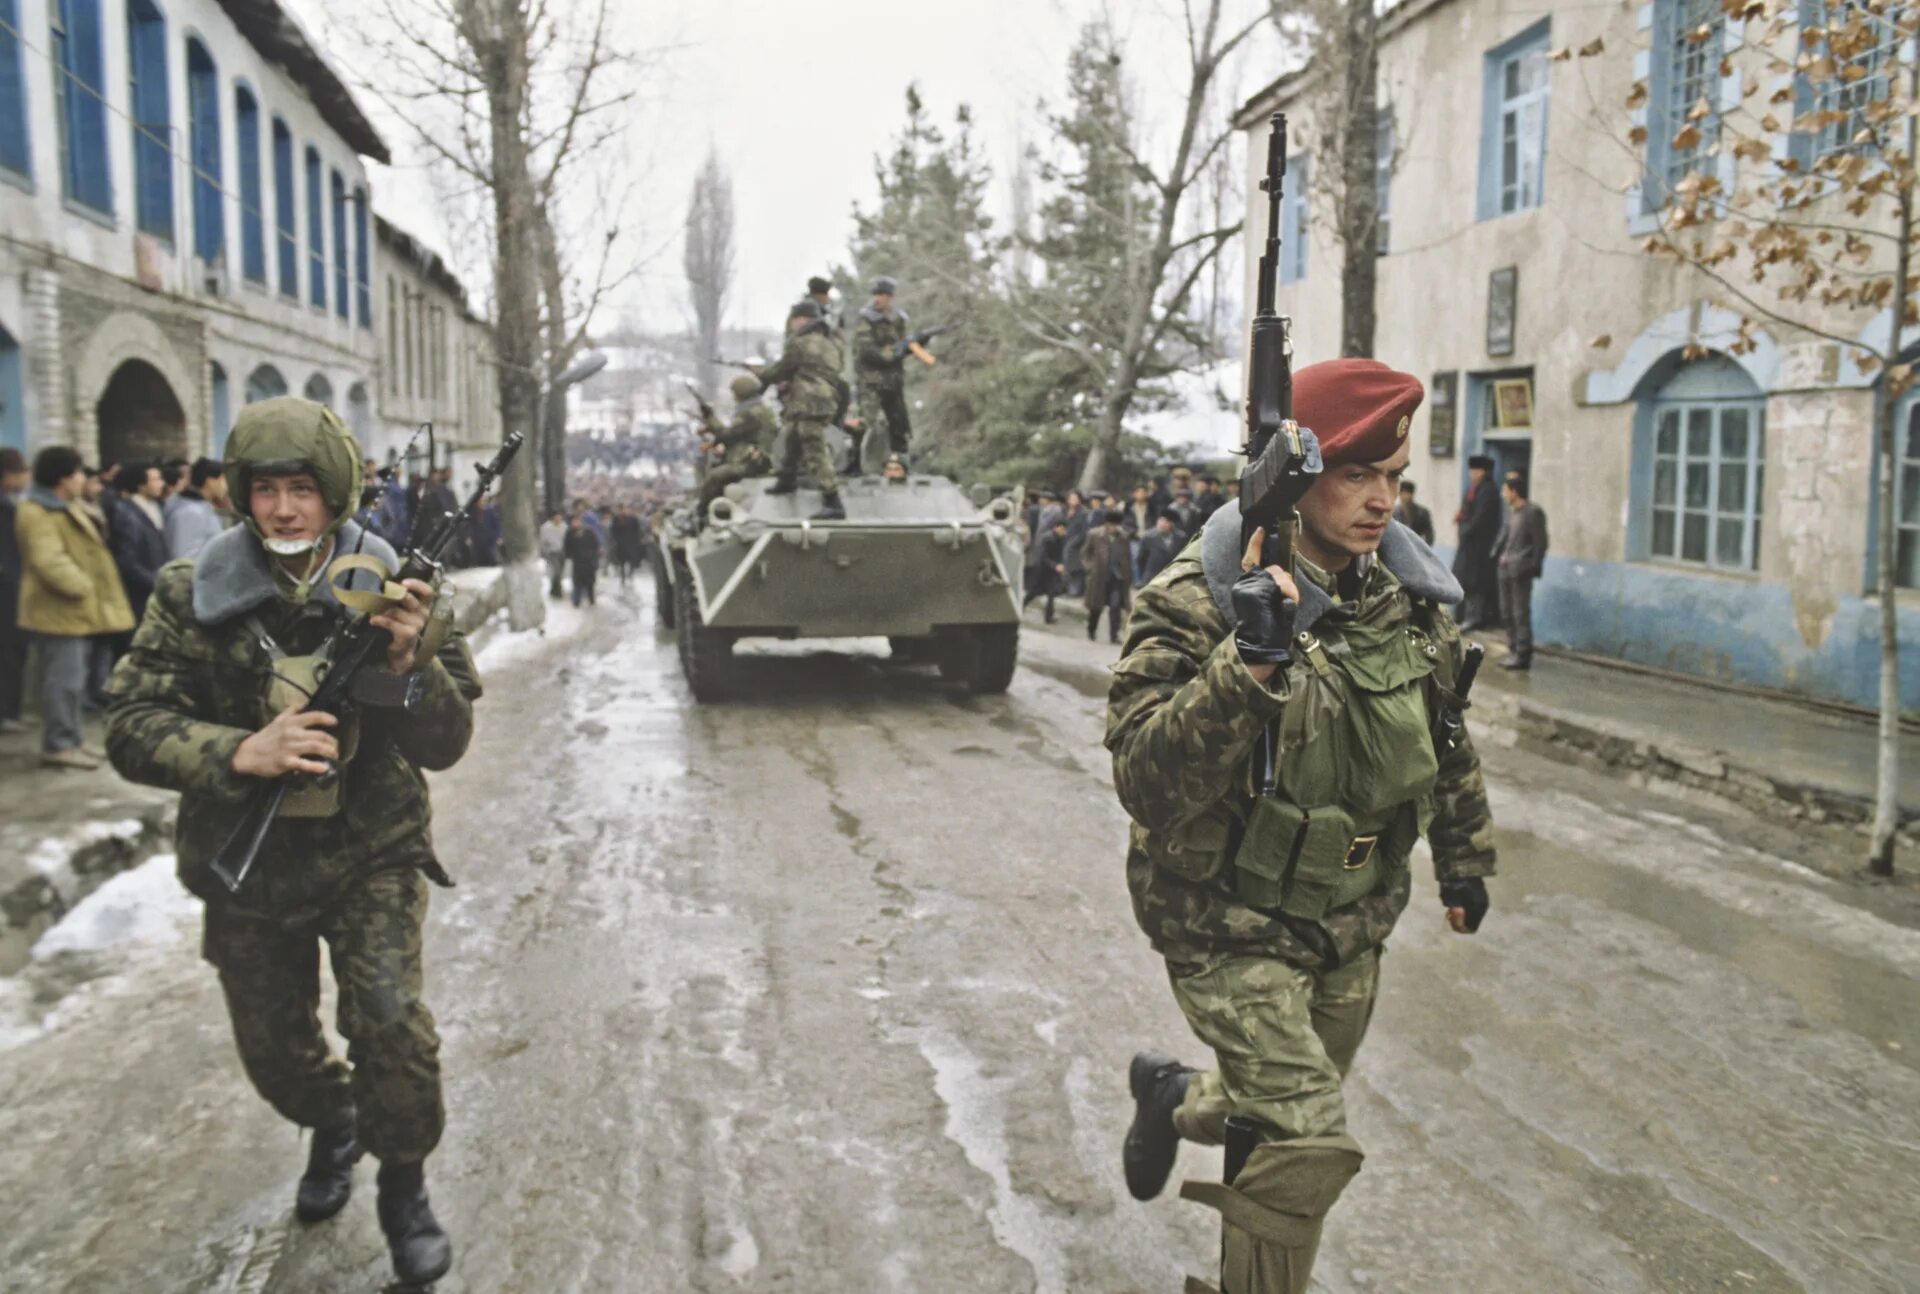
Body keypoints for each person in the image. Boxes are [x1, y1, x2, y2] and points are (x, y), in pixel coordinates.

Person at [1109, 358, 1496, 1294]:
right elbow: (1145, 779)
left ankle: (1171, 1100)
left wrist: (1464, 859)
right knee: (1305, 1135)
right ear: (1292, 476)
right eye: (1356, 475)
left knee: (1262, 1097)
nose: (1380, 501)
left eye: (1393, 479)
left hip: (1350, 917)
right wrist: (1247, 664)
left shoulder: (1407, 600)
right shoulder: (1194, 600)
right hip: (1224, 917)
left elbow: (1443, 736)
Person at [105, 397, 478, 1287]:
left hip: (370, 848)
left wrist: (409, 667)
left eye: (302, 489)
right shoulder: (190, 592)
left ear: (336, 492)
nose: (281, 510)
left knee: (390, 1025)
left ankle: (403, 1185)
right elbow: (128, 723)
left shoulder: (399, 586)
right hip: (247, 859)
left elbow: (446, 743)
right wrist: (239, 750)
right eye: (264, 488)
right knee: (274, 1052)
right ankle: (332, 1120)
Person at [16, 446, 135, 768]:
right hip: (58, 610)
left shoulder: (64, 505)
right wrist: (82, 586)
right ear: (63, 476)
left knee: (74, 680)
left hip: (74, 611)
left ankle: (73, 739)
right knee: (62, 682)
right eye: (78, 472)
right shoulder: (36, 511)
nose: (83, 478)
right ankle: (58, 745)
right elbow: (48, 560)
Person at [759, 300, 849, 519]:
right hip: (826, 397)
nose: (792, 325)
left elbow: (783, 369)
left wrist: (762, 376)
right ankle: (786, 480)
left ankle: (832, 500)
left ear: (803, 320)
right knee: (792, 435)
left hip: (808, 399)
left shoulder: (799, 342)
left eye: (795, 320)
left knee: (814, 448)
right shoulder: (832, 344)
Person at [695, 374, 779, 518]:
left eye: (734, 393)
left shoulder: (751, 413)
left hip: (757, 462)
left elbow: (726, 434)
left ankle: (702, 515)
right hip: (760, 458)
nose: (733, 397)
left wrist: (710, 417)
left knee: (715, 477)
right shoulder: (759, 409)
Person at [1491, 471, 1549, 670]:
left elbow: (1541, 543)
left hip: (1521, 570)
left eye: (1505, 491)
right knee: (1506, 613)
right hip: (1505, 568)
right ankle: (1513, 649)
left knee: (1520, 613)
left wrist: (1532, 566)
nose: (1503, 494)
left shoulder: (1533, 512)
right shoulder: (1512, 513)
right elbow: (1504, 536)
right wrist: (1496, 555)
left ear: (1514, 491)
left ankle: (1523, 655)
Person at [853, 276, 914, 461]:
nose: (877, 299)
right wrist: (888, 355)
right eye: (875, 294)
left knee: (899, 425)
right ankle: (862, 464)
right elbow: (865, 350)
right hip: (871, 381)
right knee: (870, 424)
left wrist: (913, 346)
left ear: (891, 297)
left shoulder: (899, 319)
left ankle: (900, 464)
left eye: (882, 295)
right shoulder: (866, 318)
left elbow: (903, 345)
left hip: (893, 381)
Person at [1, 448, 34, 735]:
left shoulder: (11, 504)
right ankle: (6, 713)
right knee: (8, 654)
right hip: (7, 593)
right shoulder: (5, 508)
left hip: (12, 589)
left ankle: (12, 710)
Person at [1452, 454, 1502, 630]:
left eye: (1475, 470)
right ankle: (1460, 616)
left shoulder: (1488, 491)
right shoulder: (1474, 489)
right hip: (1468, 546)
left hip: (1479, 546)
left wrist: (1465, 530)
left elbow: (1480, 519)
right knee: (1463, 580)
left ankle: (1474, 618)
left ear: (1483, 471)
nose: (1472, 474)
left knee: (1476, 583)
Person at [1082, 509, 1133, 644]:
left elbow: (1127, 557)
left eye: (1116, 525)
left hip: (1117, 577)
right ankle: (1091, 629)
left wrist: (1127, 574)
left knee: (1115, 606)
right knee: (1096, 606)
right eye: (1111, 525)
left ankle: (1114, 635)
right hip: (1099, 575)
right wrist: (1090, 568)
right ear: (1106, 524)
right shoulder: (1094, 534)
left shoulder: (1124, 537)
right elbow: (1085, 554)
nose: (1114, 528)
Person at [165, 457, 229, 560]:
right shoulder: (190, 512)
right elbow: (185, 559)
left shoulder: (203, 508)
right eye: (224, 479)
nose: (226, 486)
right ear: (210, 481)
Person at [1025, 517, 1069, 623]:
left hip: (1051, 571)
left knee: (1051, 594)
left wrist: (1060, 565)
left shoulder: (1060, 539)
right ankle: (1022, 605)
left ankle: (1048, 617)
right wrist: (1055, 566)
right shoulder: (1048, 538)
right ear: (1057, 528)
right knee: (1034, 592)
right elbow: (1043, 557)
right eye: (1062, 529)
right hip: (1042, 570)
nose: (1064, 532)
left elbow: (1059, 555)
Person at [1135, 509, 1185, 587]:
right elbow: (1141, 559)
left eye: (1166, 521)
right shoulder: (1149, 537)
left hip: (1172, 577)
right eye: (1160, 520)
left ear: (1172, 524)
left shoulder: (1181, 537)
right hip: (1152, 577)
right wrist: (1146, 574)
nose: (1162, 523)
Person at [563, 511, 600, 608]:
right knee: (577, 582)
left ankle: (591, 599)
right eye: (574, 521)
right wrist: (569, 557)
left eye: (577, 521)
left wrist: (594, 558)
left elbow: (595, 545)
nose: (575, 523)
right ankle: (576, 601)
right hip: (577, 561)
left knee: (590, 583)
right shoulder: (570, 533)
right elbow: (567, 547)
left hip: (589, 561)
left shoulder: (589, 532)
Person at [1392, 479, 1434, 546]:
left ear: (1411, 494)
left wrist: (1424, 549)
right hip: (1399, 547)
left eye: (1407, 493)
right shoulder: (1394, 512)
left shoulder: (1422, 512)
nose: (1404, 496)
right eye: (1402, 493)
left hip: (1416, 547)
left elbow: (1429, 534)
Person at [610, 504, 646, 584]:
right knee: (622, 561)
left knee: (631, 560)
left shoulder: (633, 519)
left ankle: (630, 574)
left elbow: (637, 530)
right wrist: (615, 540)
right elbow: (613, 530)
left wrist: (638, 540)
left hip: (631, 542)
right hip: (621, 544)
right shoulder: (617, 519)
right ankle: (623, 576)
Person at [538, 511, 567, 599]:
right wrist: (544, 550)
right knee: (556, 571)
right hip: (552, 552)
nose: (558, 519)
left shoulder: (564, 526)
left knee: (560, 572)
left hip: (562, 552)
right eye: (557, 517)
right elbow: (542, 541)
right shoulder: (546, 527)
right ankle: (558, 591)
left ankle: (554, 589)